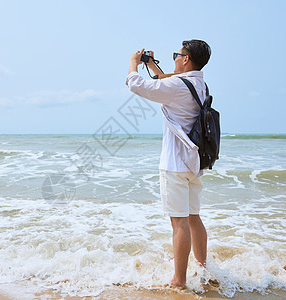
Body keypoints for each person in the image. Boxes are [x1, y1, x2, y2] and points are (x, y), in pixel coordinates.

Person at [126, 40, 211, 288]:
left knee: (179, 223)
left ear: (186, 59)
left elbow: (136, 85)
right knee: (194, 217)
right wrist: (152, 66)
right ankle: (203, 270)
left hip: (175, 164)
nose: (175, 58)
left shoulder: (176, 85)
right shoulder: (200, 84)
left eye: (177, 54)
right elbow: (166, 80)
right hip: (195, 162)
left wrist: (133, 64)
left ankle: (179, 280)